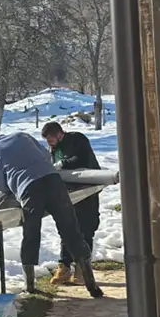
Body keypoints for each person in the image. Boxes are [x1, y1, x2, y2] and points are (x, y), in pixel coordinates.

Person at [0, 130, 103, 298]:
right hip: (54, 182)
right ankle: (91, 284)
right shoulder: (21, 136)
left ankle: (29, 286)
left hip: (29, 190)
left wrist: (13, 187)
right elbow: (45, 153)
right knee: (71, 230)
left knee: (31, 233)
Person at [41, 122, 100, 286]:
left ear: (59, 134)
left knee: (86, 228)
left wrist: (63, 164)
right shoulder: (54, 149)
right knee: (66, 228)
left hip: (87, 190)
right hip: (67, 192)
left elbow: (80, 158)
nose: (49, 143)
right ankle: (64, 266)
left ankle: (83, 268)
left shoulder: (77, 139)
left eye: (51, 139)